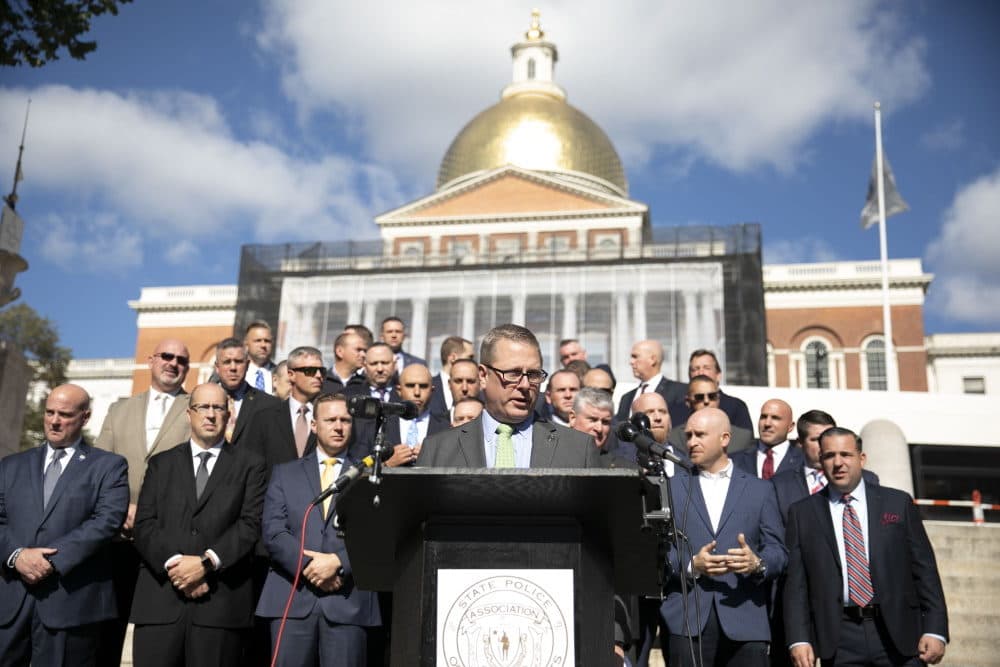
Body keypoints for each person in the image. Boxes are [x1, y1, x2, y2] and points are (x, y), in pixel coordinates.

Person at [783, 427, 948, 667]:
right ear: (820, 461)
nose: (838, 463)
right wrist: (798, 639)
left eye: (845, 454)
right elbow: (795, 586)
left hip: (900, 635)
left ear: (862, 458)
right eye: (829, 456)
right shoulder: (802, 513)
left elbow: (925, 572)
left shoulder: (898, 503)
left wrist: (935, 630)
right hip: (839, 639)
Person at [130, 383, 267, 667]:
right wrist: (177, 565)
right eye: (203, 407)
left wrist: (205, 564)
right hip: (161, 601)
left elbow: (250, 524)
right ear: (188, 414)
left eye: (218, 407)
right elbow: (145, 523)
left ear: (229, 415)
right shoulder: (160, 464)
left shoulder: (251, 464)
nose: (211, 414)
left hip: (220, 605)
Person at [0, 384, 129, 667]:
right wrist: (17, 555)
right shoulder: (10, 466)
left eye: (65, 414)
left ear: (85, 417)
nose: (54, 421)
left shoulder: (109, 466)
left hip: (71, 603)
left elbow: (106, 521)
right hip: (11, 604)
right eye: (50, 412)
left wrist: (50, 560)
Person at [255, 393, 381, 666]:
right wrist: (311, 565)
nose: (339, 426)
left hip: (348, 601)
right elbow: (274, 532)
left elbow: (377, 535)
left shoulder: (370, 476)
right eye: (331, 419)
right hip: (292, 596)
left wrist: (339, 562)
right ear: (314, 425)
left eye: (345, 420)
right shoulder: (285, 473)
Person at [660, 408, 786, 667]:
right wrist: (692, 565)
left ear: (724, 438)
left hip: (746, 619)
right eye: (689, 435)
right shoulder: (671, 488)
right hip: (688, 620)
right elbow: (658, 550)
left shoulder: (760, 489)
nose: (691, 441)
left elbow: (778, 551)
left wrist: (757, 564)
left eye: (700, 435)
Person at [94, 337, 193, 666]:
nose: (173, 364)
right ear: (151, 360)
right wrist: (120, 508)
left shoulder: (195, 410)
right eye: (167, 356)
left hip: (167, 539)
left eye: (181, 360)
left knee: (158, 638)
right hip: (117, 535)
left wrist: (148, 514)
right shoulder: (119, 409)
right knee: (108, 629)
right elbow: (100, 468)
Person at [416, 324, 603, 468]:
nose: (524, 385)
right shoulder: (437, 451)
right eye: (512, 374)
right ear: (482, 376)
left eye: (533, 375)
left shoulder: (579, 449)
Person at [244, 346, 325, 476]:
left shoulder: (330, 418)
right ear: (291, 375)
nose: (319, 376)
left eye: (322, 371)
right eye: (311, 371)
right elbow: (251, 467)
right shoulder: (264, 418)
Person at [355, 363, 449, 467]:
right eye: (410, 386)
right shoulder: (378, 426)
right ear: (399, 390)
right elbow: (358, 467)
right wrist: (386, 464)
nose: (417, 392)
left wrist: (432, 461)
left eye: (423, 386)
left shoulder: (446, 429)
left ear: (432, 390)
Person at [213, 337, 280, 447]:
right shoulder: (201, 400)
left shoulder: (269, 405)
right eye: (227, 362)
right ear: (217, 367)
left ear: (248, 365)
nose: (233, 367)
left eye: (238, 362)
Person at [668, 350, 753, 431]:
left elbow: (745, 440)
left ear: (718, 375)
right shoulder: (677, 411)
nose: (701, 372)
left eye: (706, 368)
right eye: (695, 369)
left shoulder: (736, 407)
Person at [668, 376, 753, 453]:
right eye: (699, 397)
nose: (706, 401)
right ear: (688, 401)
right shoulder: (674, 439)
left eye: (712, 396)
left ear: (718, 399)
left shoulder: (742, 438)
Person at [731, 399, 803, 480]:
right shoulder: (735, 461)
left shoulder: (804, 461)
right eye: (763, 417)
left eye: (775, 418)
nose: (767, 423)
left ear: (790, 427)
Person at [615, 340, 686, 422]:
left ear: (652, 359)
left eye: (635, 357)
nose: (631, 362)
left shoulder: (679, 391)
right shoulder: (626, 398)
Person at [427, 336, 475, 419]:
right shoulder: (427, 388)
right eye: (470, 357)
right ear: (453, 358)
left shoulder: (477, 388)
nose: (473, 362)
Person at [321, 331, 368, 395]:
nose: (363, 355)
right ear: (339, 351)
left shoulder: (366, 382)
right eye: (358, 350)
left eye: (365, 351)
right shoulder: (321, 381)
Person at [245, 321, 277, 395]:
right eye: (258, 340)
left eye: (267, 341)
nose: (263, 345)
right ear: (246, 344)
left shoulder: (280, 374)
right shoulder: (237, 372)